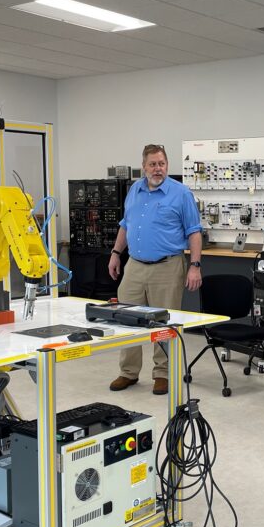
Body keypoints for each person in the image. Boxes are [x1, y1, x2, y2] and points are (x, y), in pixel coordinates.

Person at [108, 144, 202, 396]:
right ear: (144, 167)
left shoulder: (180, 193)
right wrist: (116, 253)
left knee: (163, 323)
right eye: (153, 164)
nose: (158, 169)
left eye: (162, 164)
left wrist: (194, 265)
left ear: (167, 165)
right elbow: (126, 225)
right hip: (135, 266)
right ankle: (128, 372)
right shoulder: (134, 191)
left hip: (167, 266)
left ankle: (163, 373)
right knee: (128, 320)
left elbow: (194, 231)